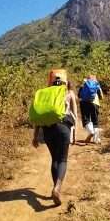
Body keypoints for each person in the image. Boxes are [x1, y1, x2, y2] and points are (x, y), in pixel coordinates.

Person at [32, 73, 80, 206]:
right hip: (63, 127)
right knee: (63, 159)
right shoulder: (69, 93)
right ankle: (57, 187)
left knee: (54, 159)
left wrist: (35, 136)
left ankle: (54, 187)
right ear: (65, 82)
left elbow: (39, 117)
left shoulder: (45, 94)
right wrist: (74, 135)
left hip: (47, 129)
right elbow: (75, 116)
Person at [78, 74, 104, 144]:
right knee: (95, 120)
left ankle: (91, 131)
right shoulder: (96, 84)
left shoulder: (84, 84)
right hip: (95, 103)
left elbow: (79, 95)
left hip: (84, 103)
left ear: (87, 78)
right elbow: (101, 96)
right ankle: (96, 139)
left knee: (86, 119)